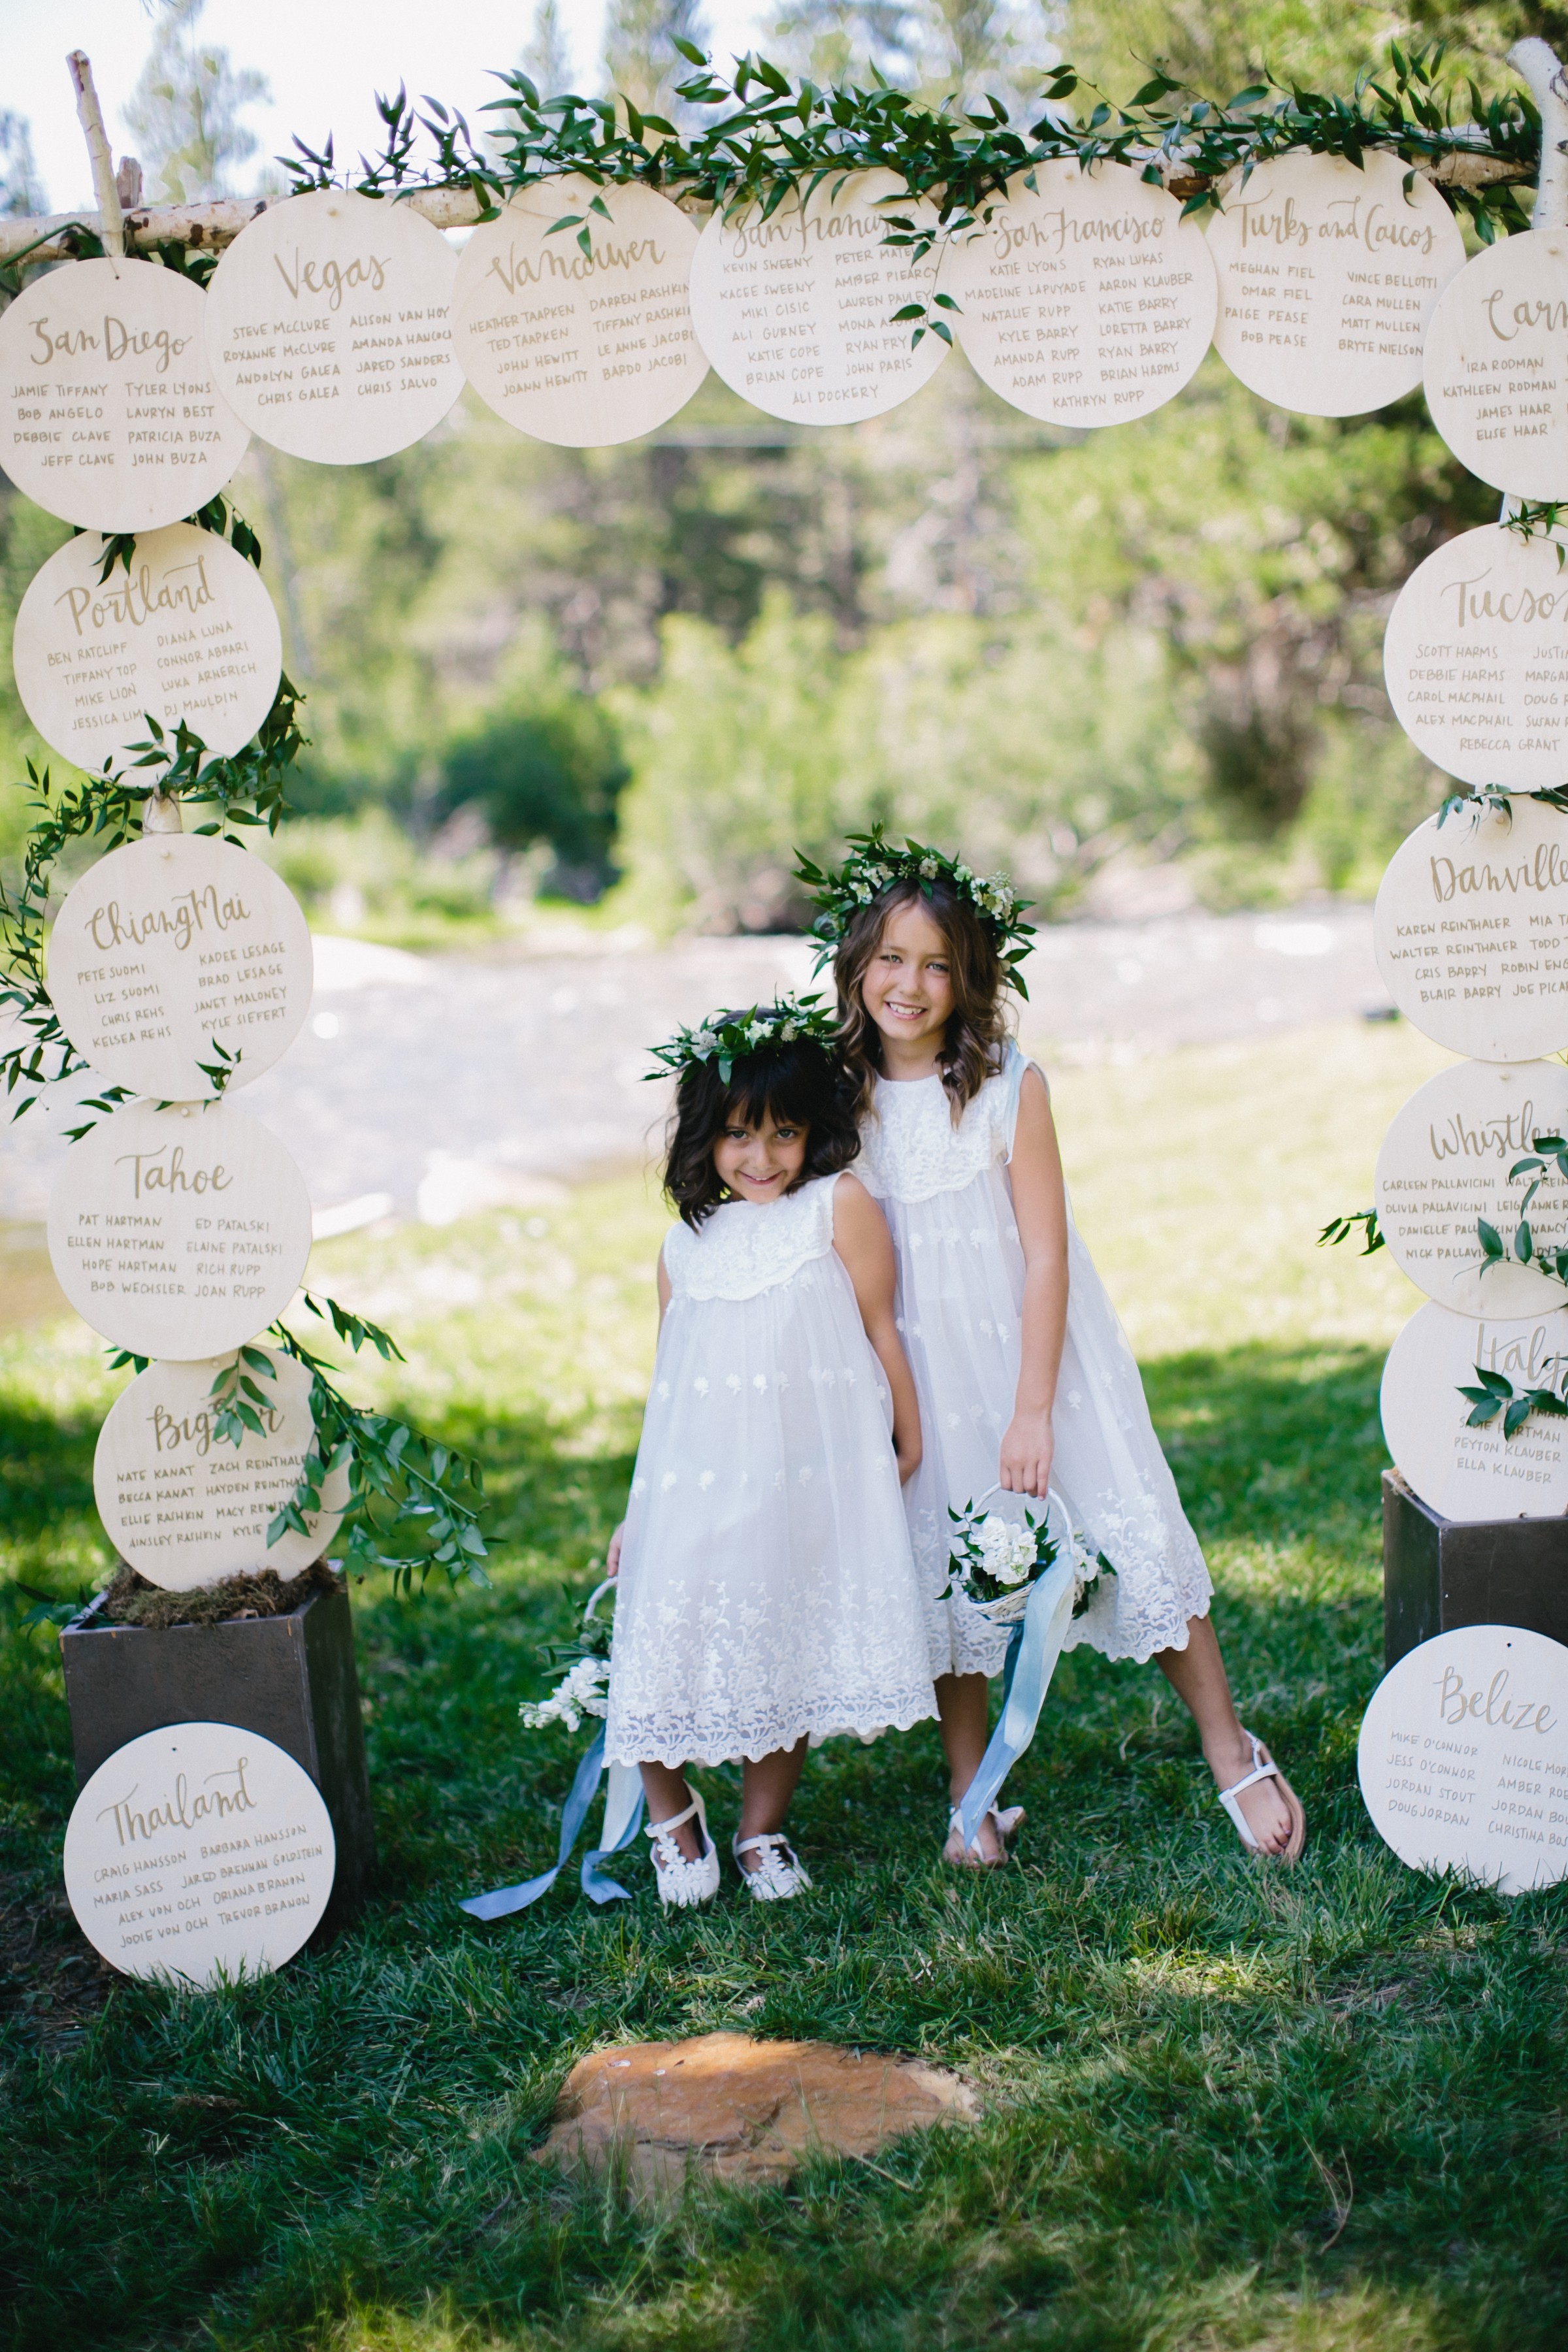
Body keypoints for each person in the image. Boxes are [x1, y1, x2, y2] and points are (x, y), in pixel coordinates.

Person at [800, 832, 1306, 1869]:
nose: (912, 983)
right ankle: (970, 1791)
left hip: (1029, 1352)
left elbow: (1044, 1255)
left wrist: (1032, 1406)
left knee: (1126, 1530)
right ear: (856, 963)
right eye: (891, 958)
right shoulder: (829, 1097)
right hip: (909, 1366)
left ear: (971, 977)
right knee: (948, 1564)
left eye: (938, 963)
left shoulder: (1004, 1084)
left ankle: (1228, 1744)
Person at [603, 995, 937, 1906]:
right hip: (695, 1483)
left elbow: (880, 1325)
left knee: (784, 1644)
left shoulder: (838, 1206)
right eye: (740, 1137)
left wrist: (905, 1429)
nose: (761, 1159)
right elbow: (670, 1387)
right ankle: (673, 1818)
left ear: (813, 1135)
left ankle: (760, 1828)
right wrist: (640, 1511)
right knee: (661, 1636)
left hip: (797, 1481)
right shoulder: (687, 1243)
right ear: (705, 1139)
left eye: (784, 1135)